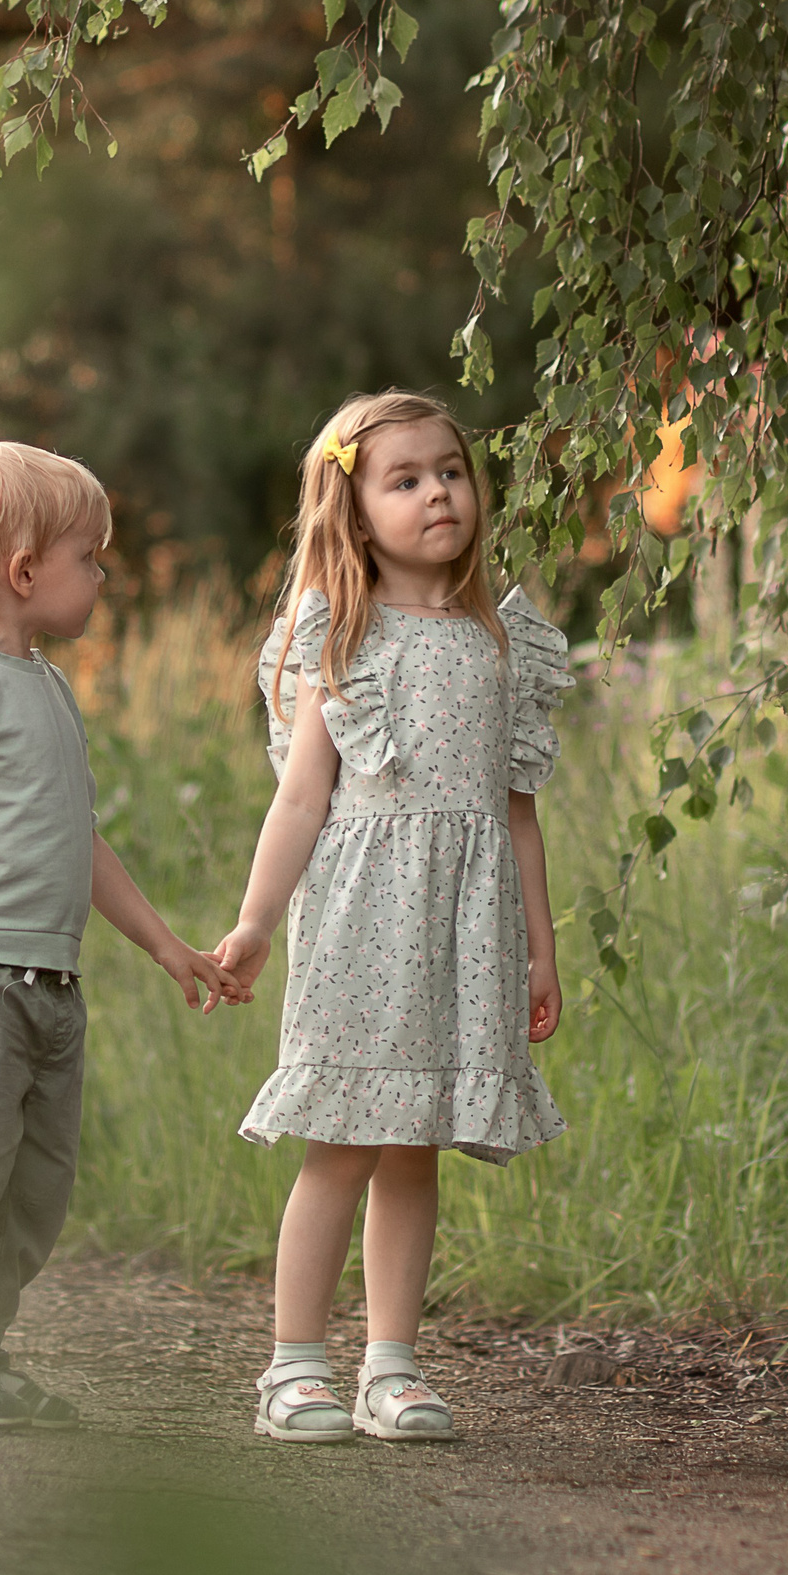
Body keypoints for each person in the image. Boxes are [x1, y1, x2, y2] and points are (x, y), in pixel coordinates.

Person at [215, 391, 572, 1443]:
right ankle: (292, 1366)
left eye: (449, 472)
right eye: (404, 479)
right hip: (362, 919)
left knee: (415, 1144)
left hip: (469, 926)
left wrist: (540, 952)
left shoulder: (502, 641)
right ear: (353, 505)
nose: (436, 494)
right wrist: (253, 924)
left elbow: (518, 817)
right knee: (341, 1142)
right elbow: (299, 801)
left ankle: (392, 1366)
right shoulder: (340, 636)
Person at [0, 440, 234, 1431]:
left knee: (36, 1188)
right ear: (24, 572)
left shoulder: (48, 687)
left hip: (51, 986)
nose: (103, 576)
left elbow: (75, 838)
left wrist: (164, 944)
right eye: (91, 558)